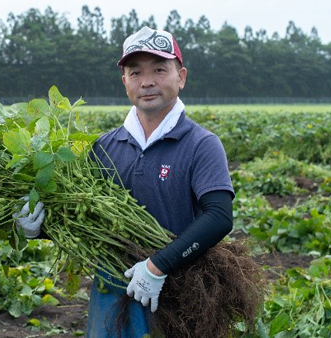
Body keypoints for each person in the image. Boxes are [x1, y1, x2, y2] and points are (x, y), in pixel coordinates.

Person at [15, 26, 234, 338]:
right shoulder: (102, 147)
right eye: (135, 72)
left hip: (183, 295)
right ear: (125, 82)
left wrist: (158, 266)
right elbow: (83, 218)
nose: (147, 82)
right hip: (112, 296)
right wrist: (38, 229)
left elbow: (219, 217)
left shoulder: (201, 144)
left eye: (159, 69)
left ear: (180, 76)